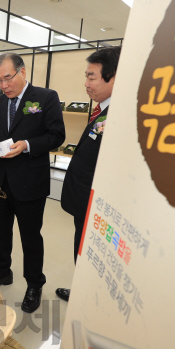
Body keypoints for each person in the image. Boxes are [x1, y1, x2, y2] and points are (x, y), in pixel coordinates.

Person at [0, 52, 65, 314]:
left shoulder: (45, 97)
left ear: (23, 72)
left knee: (30, 237)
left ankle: (34, 284)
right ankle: (1, 272)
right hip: (0, 180)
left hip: (30, 181)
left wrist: (28, 145)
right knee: (0, 232)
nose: (4, 85)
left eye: (8, 78)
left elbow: (56, 135)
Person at [57, 46, 121, 303]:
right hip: (85, 202)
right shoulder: (102, 111)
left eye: (91, 77)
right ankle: (83, 291)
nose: (86, 84)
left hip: (98, 206)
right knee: (83, 251)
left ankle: (88, 300)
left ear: (114, 77)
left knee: (93, 253)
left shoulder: (120, 116)